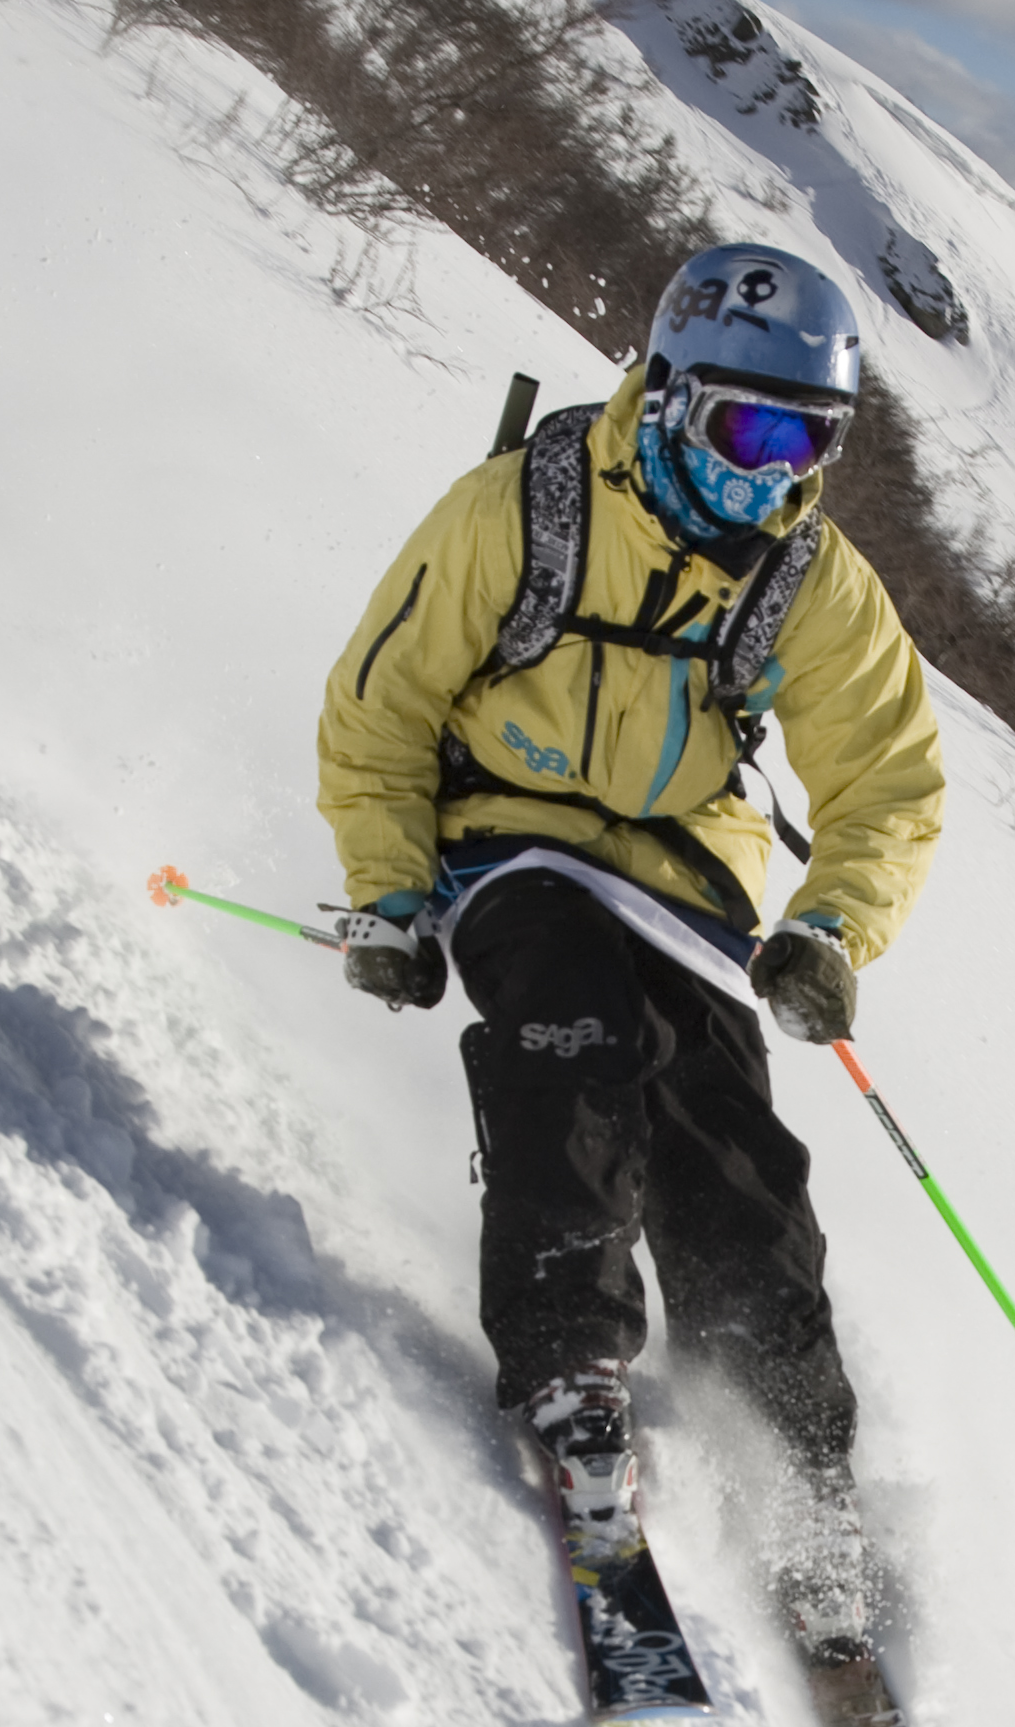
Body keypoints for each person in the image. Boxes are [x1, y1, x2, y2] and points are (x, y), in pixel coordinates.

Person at [316, 243, 944, 1628]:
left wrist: (831, 930)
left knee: (727, 1140)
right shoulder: (522, 512)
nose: (763, 473)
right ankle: (568, 1361)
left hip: (678, 870)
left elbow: (886, 781)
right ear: (666, 394)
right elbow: (382, 707)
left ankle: (800, 1467)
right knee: (576, 1041)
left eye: (803, 443)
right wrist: (392, 889)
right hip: (506, 831)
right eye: (742, 429)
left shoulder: (804, 577)